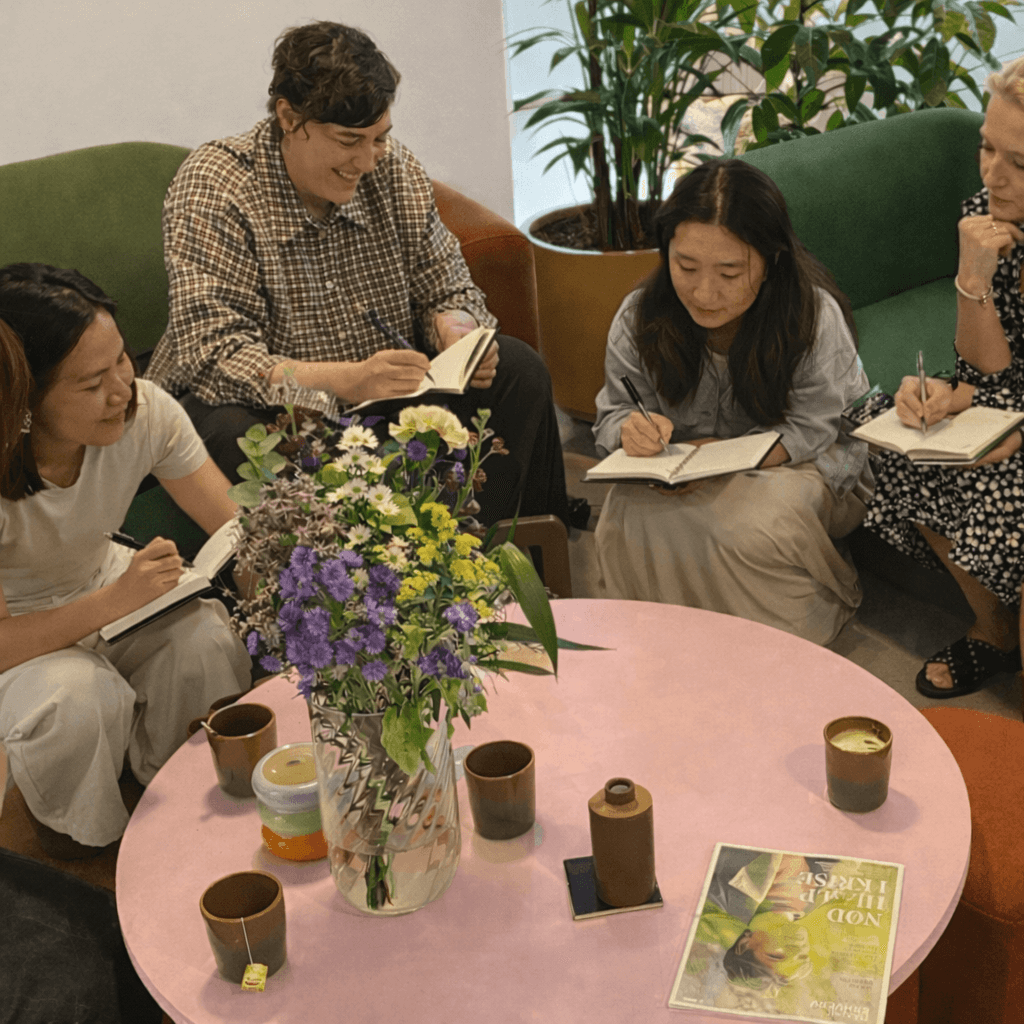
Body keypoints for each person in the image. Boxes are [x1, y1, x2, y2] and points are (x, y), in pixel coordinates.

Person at [145, 20, 582, 530]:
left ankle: (500, 563)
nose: (368, 160)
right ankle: (337, 597)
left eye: (379, 138)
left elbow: (447, 285)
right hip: (273, 404)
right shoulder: (218, 186)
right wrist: (347, 381)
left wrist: (458, 335)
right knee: (232, 432)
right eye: (349, 141)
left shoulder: (393, 169)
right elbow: (217, 356)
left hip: (387, 391)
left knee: (519, 371)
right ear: (289, 117)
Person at [0, 264, 251, 859]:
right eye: (91, 384)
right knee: (78, 697)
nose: (122, 389)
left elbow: (237, 523)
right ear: (26, 402)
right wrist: (110, 604)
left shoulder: (145, 412)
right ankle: (93, 856)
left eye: (122, 359)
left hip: (105, 584)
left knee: (204, 640)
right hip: (23, 634)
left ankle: (189, 812)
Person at [592, 159, 872, 645]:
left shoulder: (810, 315)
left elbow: (815, 428)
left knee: (747, 525)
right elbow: (614, 412)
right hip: (687, 466)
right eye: (686, 266)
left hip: (811, 463)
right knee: (622, 513)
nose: (704, 292)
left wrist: (719, 464)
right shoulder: (641, 315)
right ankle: (671, 638)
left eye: (729, 272)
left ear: (771, 260)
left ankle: (778, 637)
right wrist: (628, 431)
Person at [863, 56, 1024, 698]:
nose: (994, 175)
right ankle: (994, 631)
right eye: (987, 147)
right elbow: (985, 373)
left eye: (1021, 161)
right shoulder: (986, 214)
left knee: (999, 483)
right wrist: (972, 280)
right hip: (1012, 402)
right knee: (900, 443)